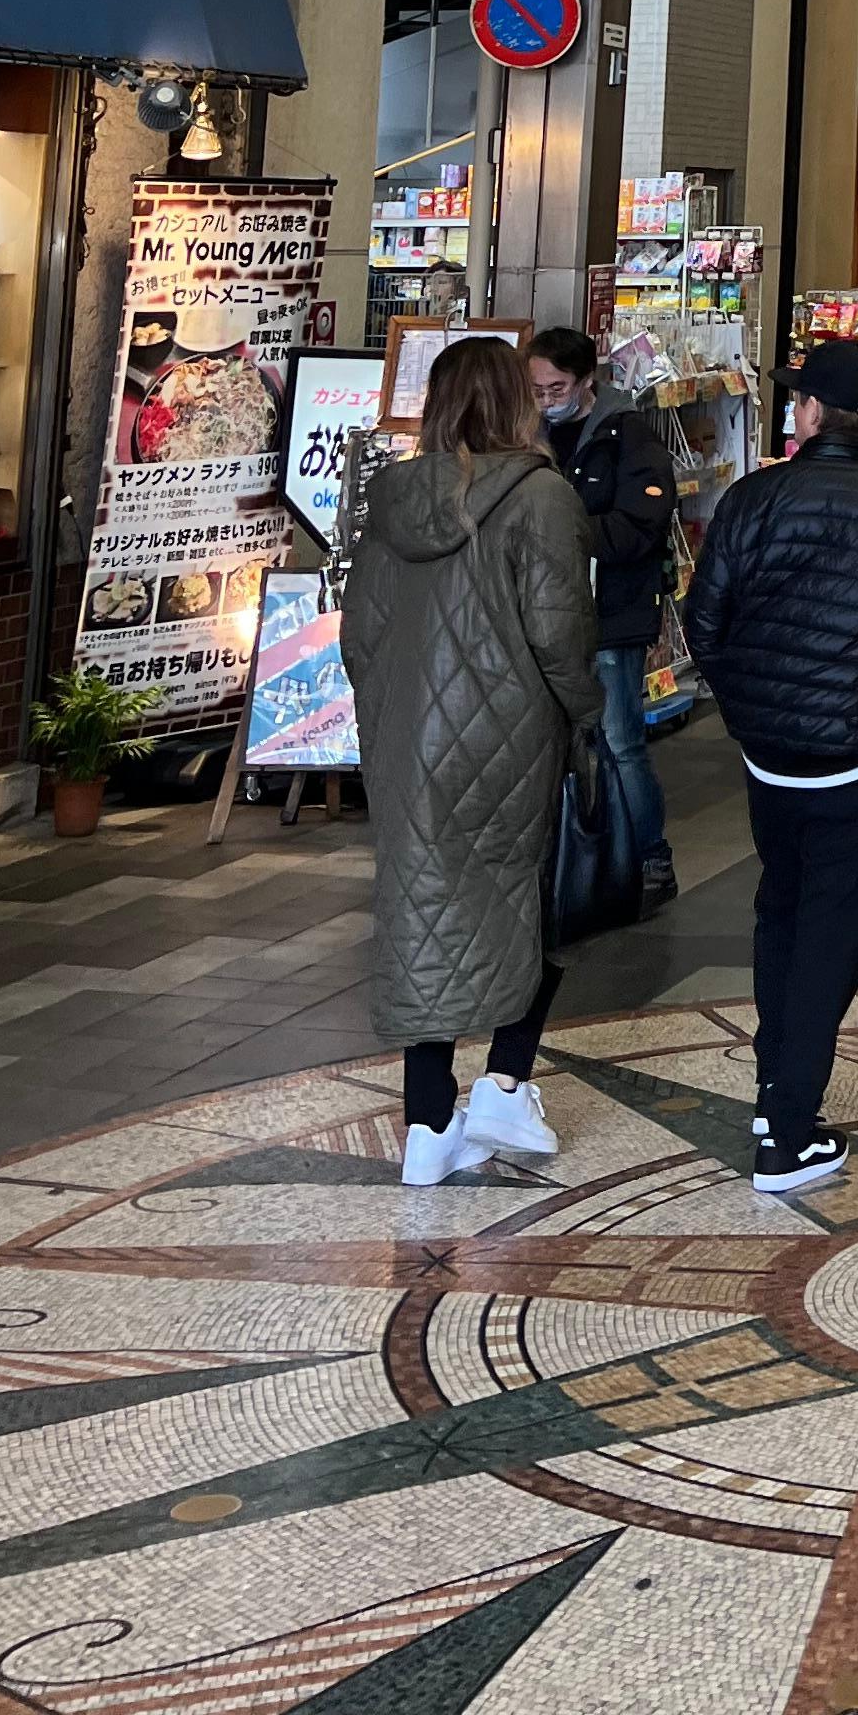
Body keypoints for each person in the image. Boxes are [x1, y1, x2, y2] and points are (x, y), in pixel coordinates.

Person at [684, 337, 858, 1194]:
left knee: (782, 914)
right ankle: (787, 1132)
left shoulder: (752, 498)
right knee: (832, 936)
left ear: (808, 415)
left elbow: (704, 624)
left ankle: (775, 1092)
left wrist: (749, 714)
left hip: (772, 762)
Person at [343, 333, 598, 1186]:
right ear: (515, 402)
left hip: (406, 741)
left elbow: (360, 636)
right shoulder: (541, 497)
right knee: (531, 906)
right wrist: (587, 720)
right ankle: (503, 1081)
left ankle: (426, 1124)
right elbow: (559, 634)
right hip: (510, 736)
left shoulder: (389, 497)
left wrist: (391, 725)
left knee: (427, 918)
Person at [528, 323, 682, 910]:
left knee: (620, 739)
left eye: (556, 386)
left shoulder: (627, 435)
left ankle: (649, 857)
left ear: (585, 380)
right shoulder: (528, 435)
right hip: (546, 613)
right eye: (536, 388)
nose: (546, 399)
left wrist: (564, 534)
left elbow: (642, 524)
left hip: (612, 615)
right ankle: (571, 856)